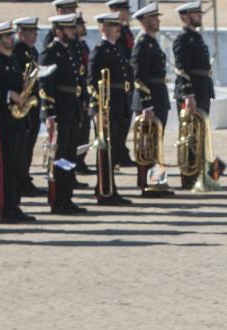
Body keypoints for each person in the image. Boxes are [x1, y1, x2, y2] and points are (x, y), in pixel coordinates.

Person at [0, 21, 35, 222]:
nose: (11, 39)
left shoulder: (13, 61)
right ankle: (5, 209)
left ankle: (15, 205)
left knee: (18, 166)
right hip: (1, 122)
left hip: (18, 121)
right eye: (6, 36)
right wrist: (7, 95)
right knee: (5, 167)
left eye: (11, 36)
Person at [40, 14, 87, 214]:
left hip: (71, 109)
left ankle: (67, 198)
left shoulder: (71, 51)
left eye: (72, 28)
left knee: (68, 156)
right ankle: (58, 200)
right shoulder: (50, 53)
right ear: (58, 31)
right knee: (58, 158)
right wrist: (49, 113)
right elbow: (44, 86)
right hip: (59, 110)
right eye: (67, 29)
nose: (72, 32)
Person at [172, 0, 222, 189]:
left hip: (202, 89)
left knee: (202, 135)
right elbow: (181, 69)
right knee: (190, 137)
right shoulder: (182, 39)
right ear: (185, 17)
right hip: (192, 91)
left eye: (199, 13)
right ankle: (189, 177)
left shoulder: (196, 37)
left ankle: (205, 174)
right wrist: (188, 94)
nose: (199, 16)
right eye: (195, 13)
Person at [89, 11, 132, 204]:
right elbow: (91, 82)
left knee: (115, 148)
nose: (118, 29)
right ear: (103, 28)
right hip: (106, 106)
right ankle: (104, 190)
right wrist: (97, 110)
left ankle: (108, 187)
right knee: (106, 150)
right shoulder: (100, 50)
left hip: (119, 103)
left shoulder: (116, 49)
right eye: (114, 26)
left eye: (119, 26)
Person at [131, 3, 172, 196]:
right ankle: (147, 185)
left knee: (158, 145)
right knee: (147, 146)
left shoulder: (152, 42)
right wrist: (147, 104)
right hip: (150, 100)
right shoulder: (142, 44)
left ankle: (158, 182)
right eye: (154, 18)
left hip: (159, 96)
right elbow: (139, 77)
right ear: (145, 21)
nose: (158, 21)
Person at [13, 17, 44, 197]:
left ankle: (25, 178)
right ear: (21, 33)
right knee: (23, 147)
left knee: (29, 145)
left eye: (34, 32)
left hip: (32, 103)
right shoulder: (18, 50)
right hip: (23, 104)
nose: (34, 35)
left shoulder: (32, 51)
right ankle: (21, 180)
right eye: (31, 32)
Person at [106, 0, 136, 167]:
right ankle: (117, 155)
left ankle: (121, 152)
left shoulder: (125, 31)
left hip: (127, 81)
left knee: (125, 121)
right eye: (123, 9)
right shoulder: (115, 33)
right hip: (116, 85)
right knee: (117, 123)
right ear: (114, 10)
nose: (127, 13)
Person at [74, 12, 94, 175]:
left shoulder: (83, 45)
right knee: (78, 133)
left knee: (84, 133)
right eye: (81, 25)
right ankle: (76, 164)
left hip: (85, 93)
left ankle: (80, 162)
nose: (84, 28)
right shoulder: (74, 47)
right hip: (77, 96)